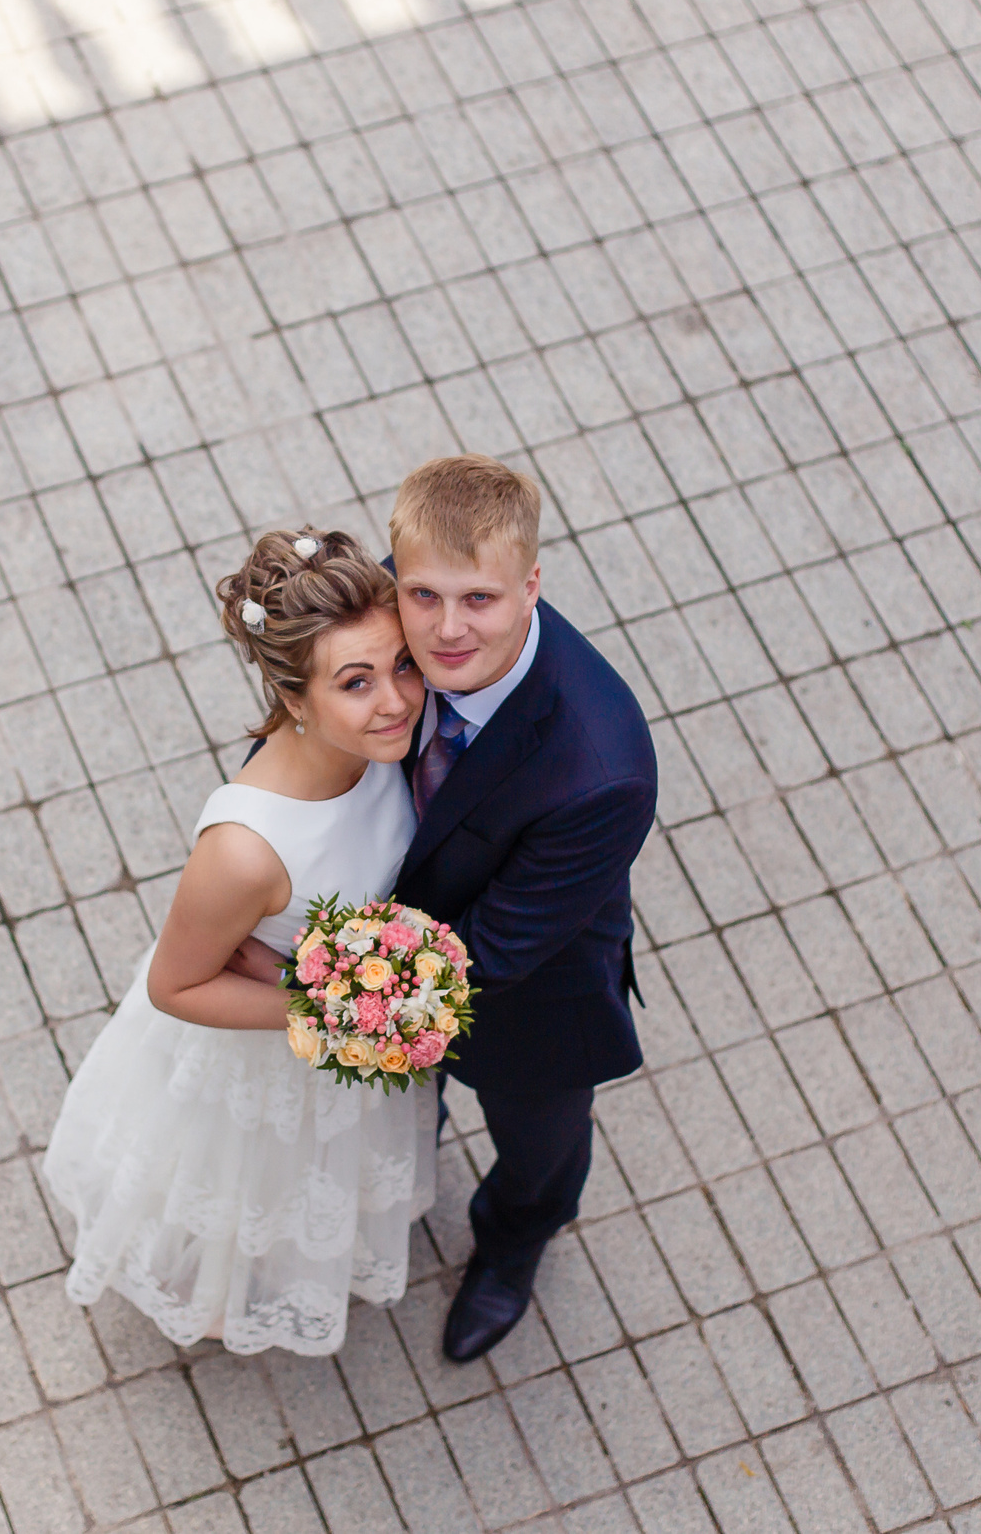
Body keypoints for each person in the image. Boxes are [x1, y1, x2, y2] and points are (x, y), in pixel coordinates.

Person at [42, 527, 432, 1355]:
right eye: (355, 682)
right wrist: (332, 1008)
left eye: (402, 664)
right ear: (295, 698)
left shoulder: (383, 746)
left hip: (341, 1024)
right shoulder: (247, 850)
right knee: (241, 1184)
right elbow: (176, 985)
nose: (396, 699)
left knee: (316, 1180)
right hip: (262, 1044)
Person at [387, 455, 658, 1362]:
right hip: (395, 926)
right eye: (424, 595)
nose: (446, 628)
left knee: (541, 1148)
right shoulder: (390, 602)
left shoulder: (602, 768)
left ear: (531, 585)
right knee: (398, 1101)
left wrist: (344, 999)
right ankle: (403, 1153)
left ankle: (511, 1246)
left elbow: (495, 951)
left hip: (532, 993)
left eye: (480, 599)